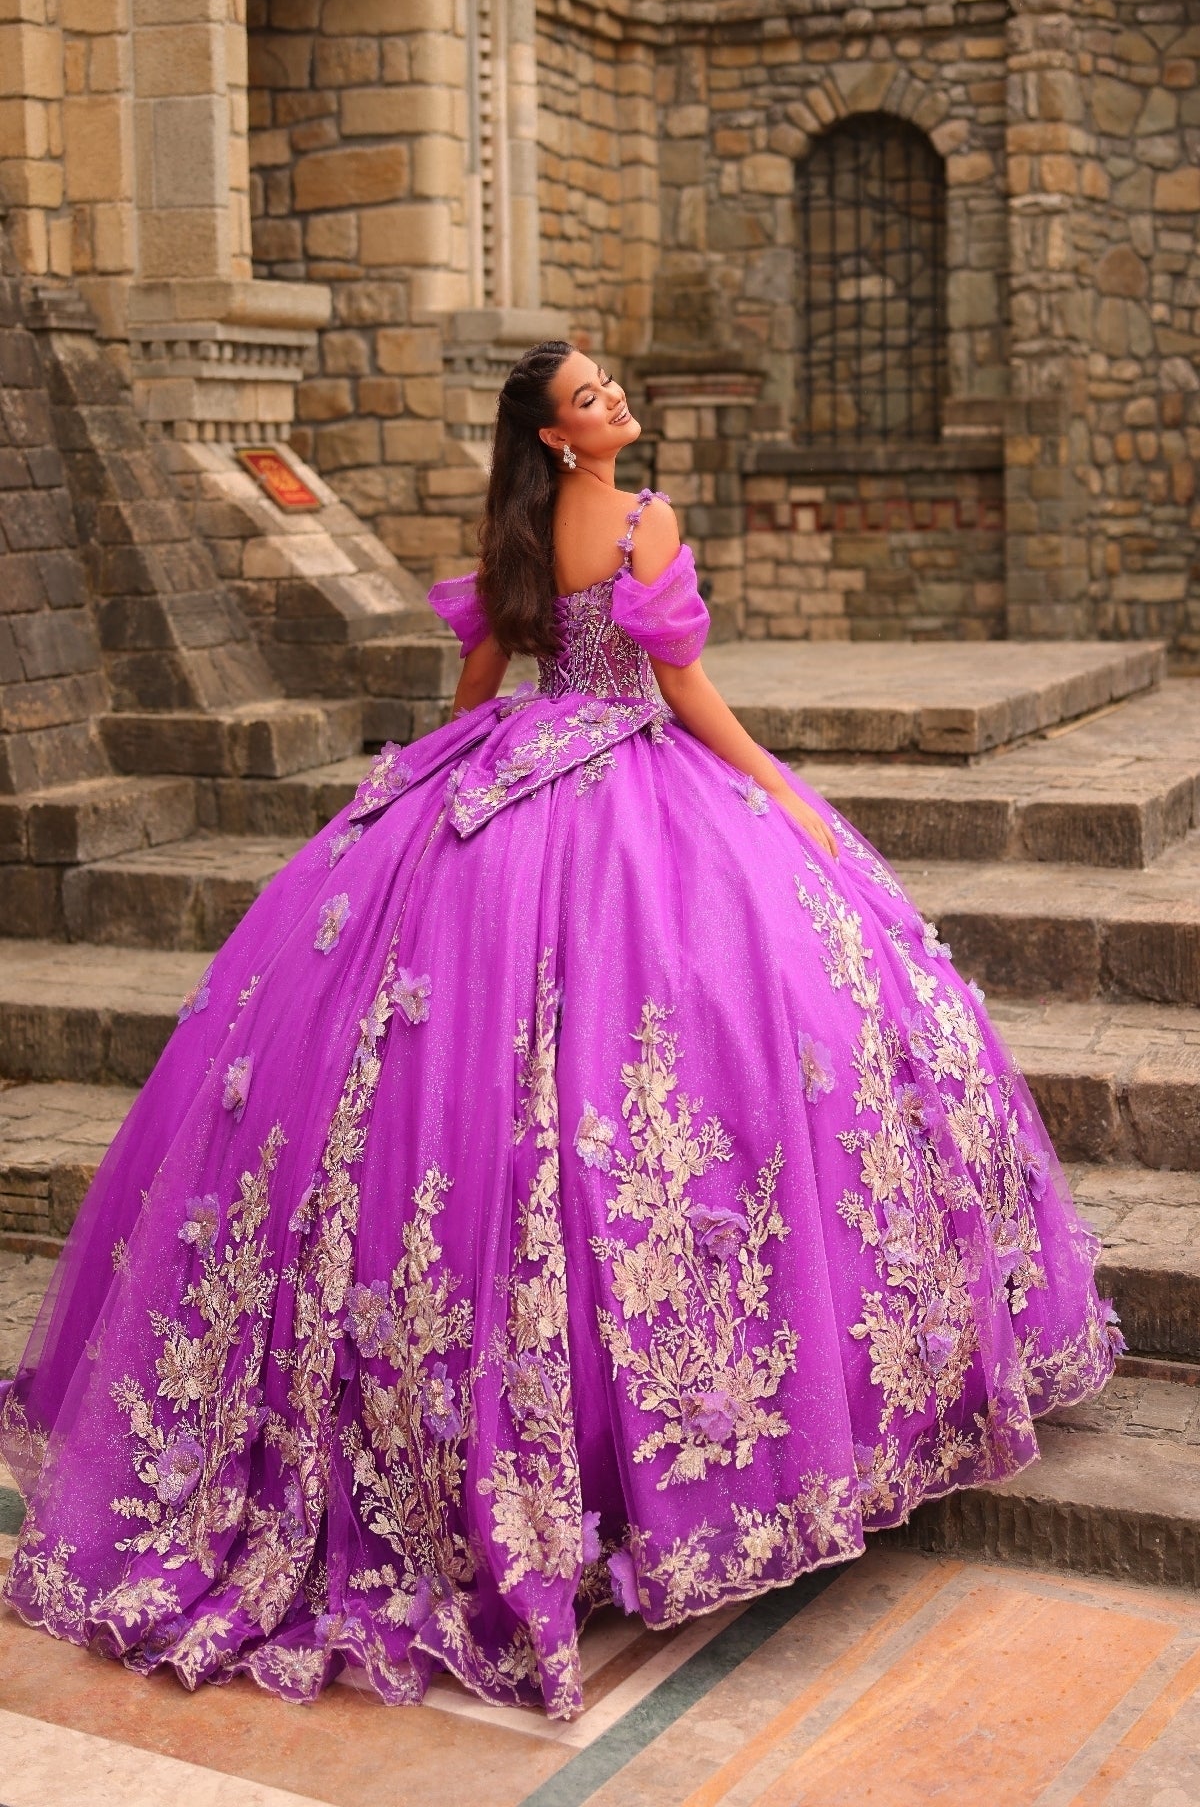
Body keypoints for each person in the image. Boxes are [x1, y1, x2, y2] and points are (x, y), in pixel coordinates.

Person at [0, 341, 1120, 1719]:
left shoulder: (518, 534)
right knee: (737, 1039)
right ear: (554, 434)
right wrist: (785, 797)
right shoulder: (644, 520)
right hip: (640, 788)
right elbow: (687, 699)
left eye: (608, 388)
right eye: (590, 398)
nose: (615, 403)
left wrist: (423, 790)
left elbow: (476, 692)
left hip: (506, 795)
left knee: (440, 1087)